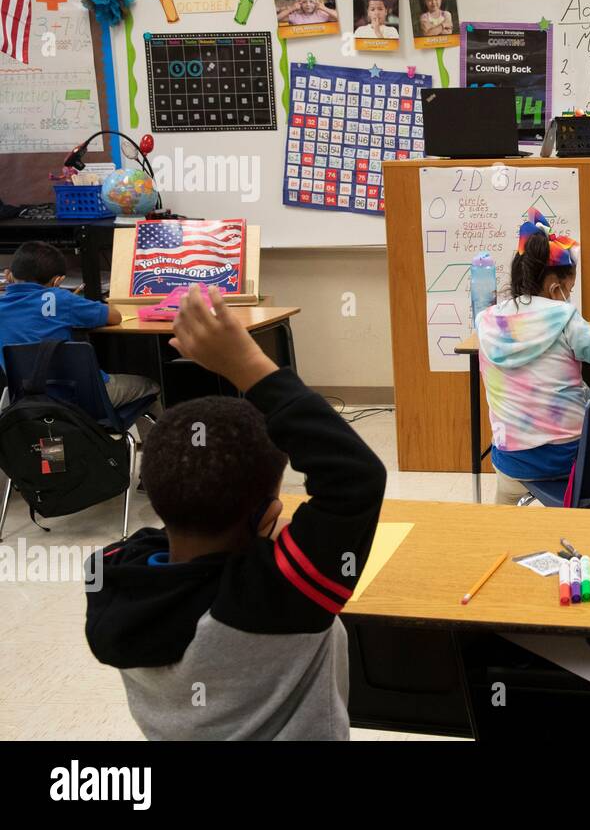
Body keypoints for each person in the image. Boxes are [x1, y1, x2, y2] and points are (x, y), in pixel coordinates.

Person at [85, 286, 387, 740]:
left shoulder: (115, 576)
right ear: (267, 517)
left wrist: (263, 533)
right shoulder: (276, 598)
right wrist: (248, 364)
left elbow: (171, 540)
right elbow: (356, 478)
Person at [475, 210, 590, 504]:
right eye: (569, 289)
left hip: (510, 460)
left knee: (506, 503)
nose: (569, 296)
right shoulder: (564, 316)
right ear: (555, 287)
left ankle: (505, 525)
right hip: (565, 459)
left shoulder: (487, 320)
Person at [0, 241, 156, 407]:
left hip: (25, 402)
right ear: (57, 281)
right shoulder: (60, 299)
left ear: (9, 275)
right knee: (151, 386)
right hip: (79, 398)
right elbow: (115, 317)